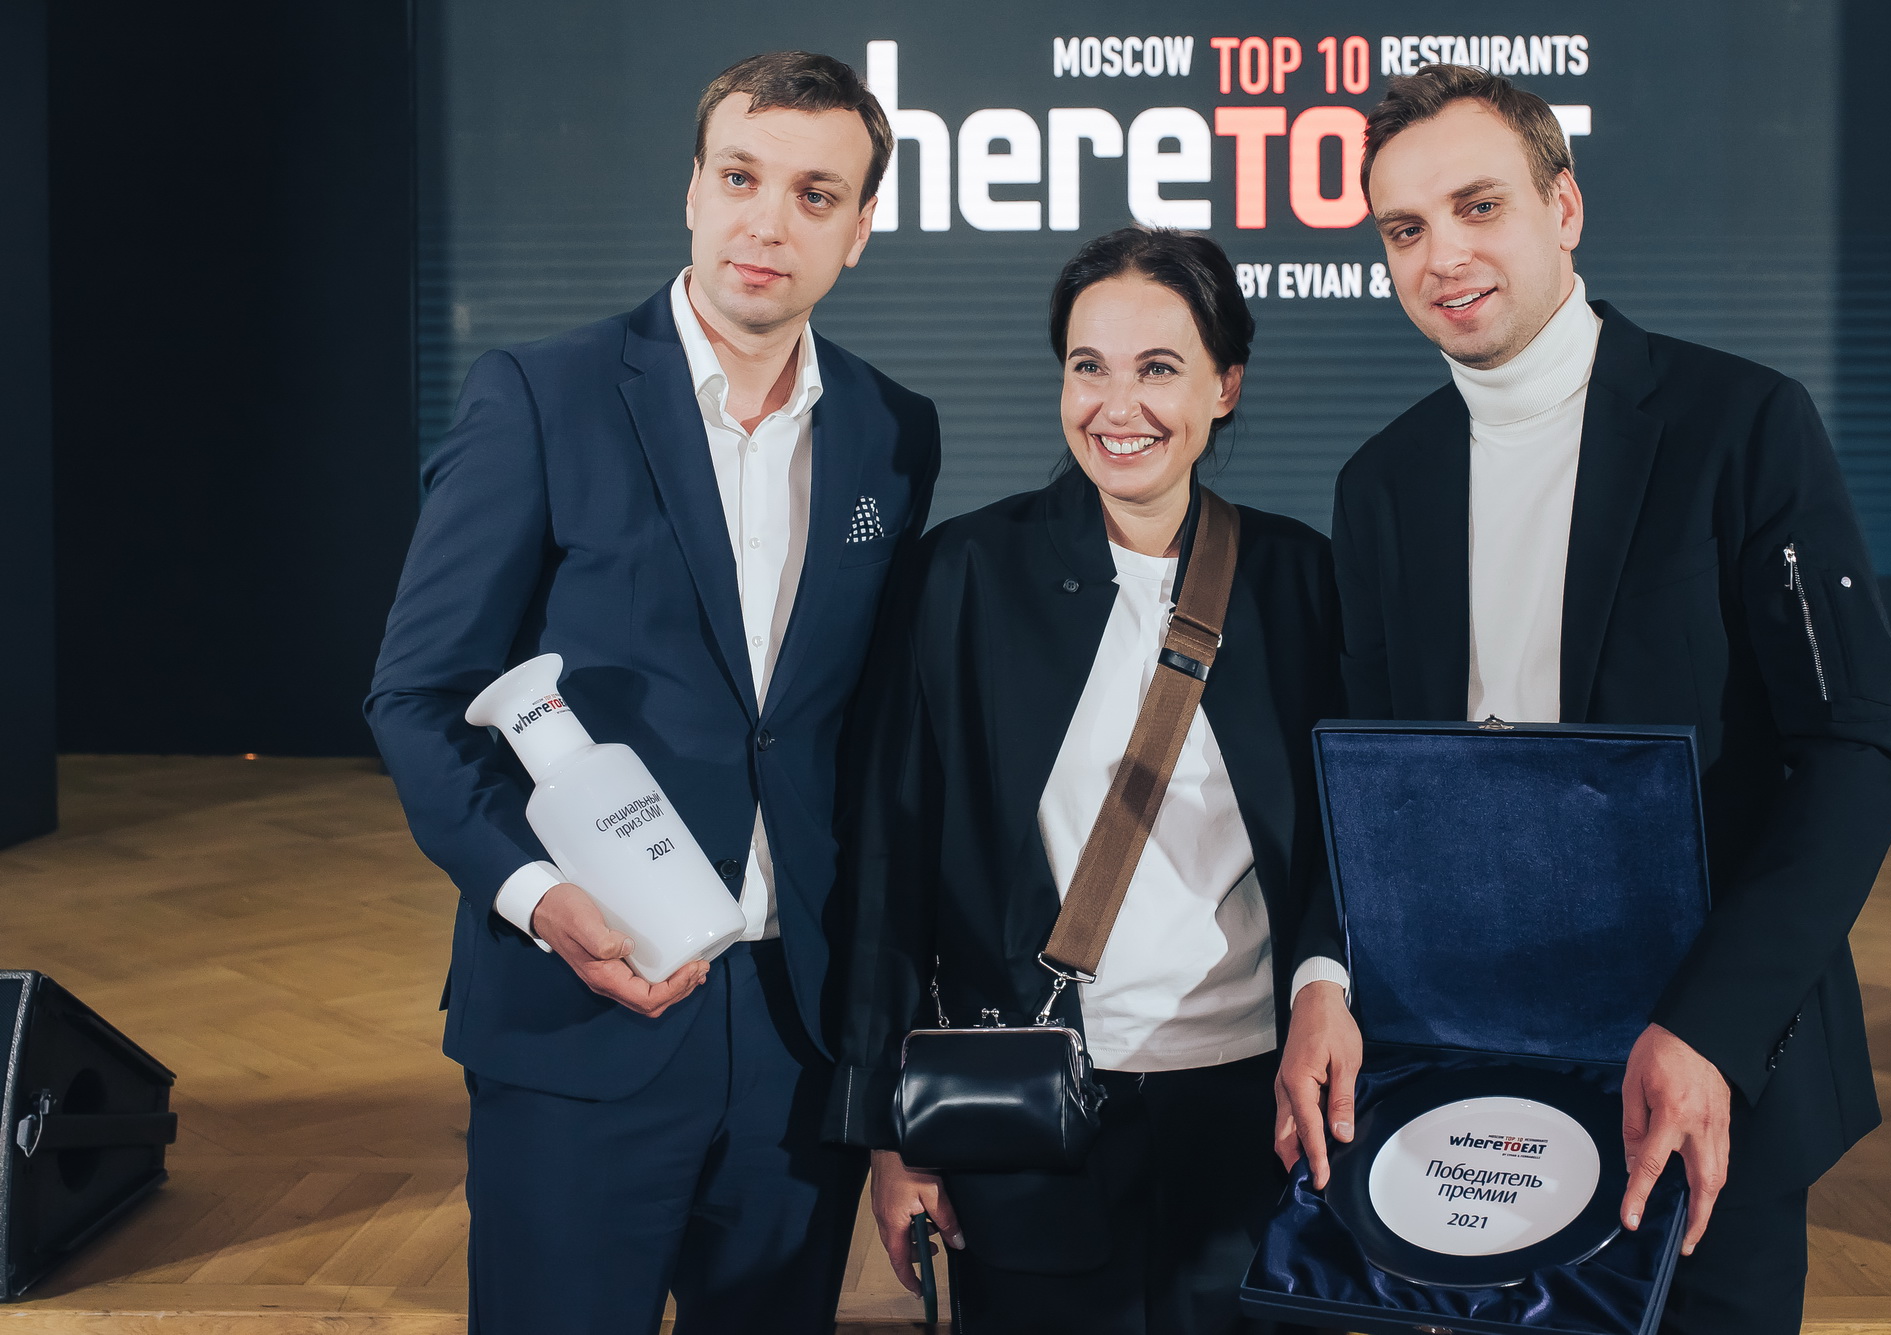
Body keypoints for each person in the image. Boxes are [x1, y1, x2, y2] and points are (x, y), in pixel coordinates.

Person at [1276, 64, 1891, 1334]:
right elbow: (1368, 794)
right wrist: (1318, 979)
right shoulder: (1380, 485)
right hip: (1466, 1087)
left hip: (1707, 1074)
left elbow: (1852, 750)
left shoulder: (1742, 424)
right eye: (1403, 230)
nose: (1441, 257)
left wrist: (1707, 1028)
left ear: (1561, 208)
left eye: (1477, 207)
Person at [364, 51, 939, 1335]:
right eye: (740, 177)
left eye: (814, 194)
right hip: (580, 1011)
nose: (766, 222)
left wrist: (883, 1044)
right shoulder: (540, 395)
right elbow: (415, 696)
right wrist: (534, 896)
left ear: (858, 229)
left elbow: (856, 739)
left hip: (797, 1038)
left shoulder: (894, 432)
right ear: (691, 189)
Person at [829, 226, 1346, 1334]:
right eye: (1088, 367)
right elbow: (890, 859)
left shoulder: (1300, 579)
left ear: (1224, 385)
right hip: (1024, 1109)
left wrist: (1327, 993)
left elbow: (1351, 854)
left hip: (1251, 1110)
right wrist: (888, 1132)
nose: (1119, 406)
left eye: (1158, 368)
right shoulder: (962, 574)